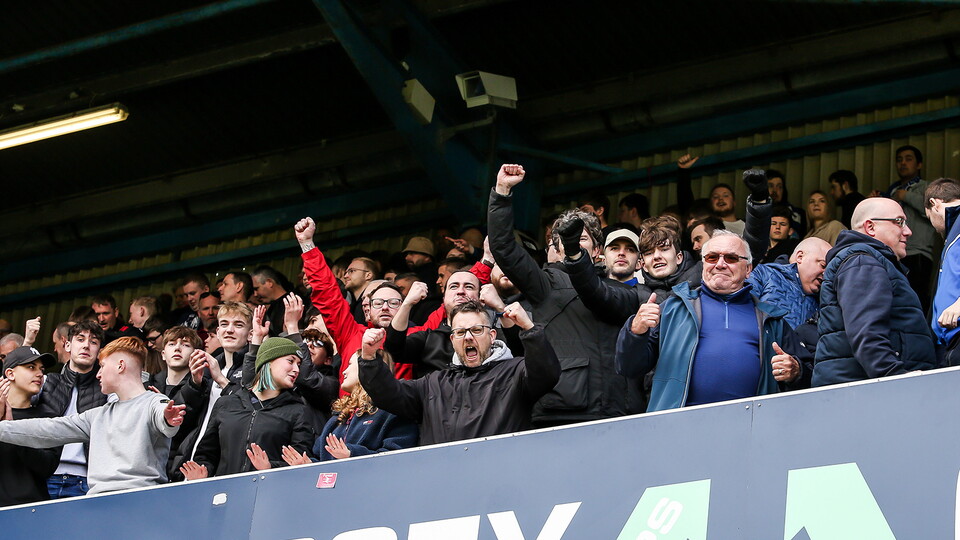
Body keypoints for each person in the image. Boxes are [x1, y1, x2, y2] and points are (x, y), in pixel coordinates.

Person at [489, 164, 637, 426]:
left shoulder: (623, 290)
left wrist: (577, 260)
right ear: (555, 247)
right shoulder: (544, 284)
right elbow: (505, 249)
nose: (573, 247)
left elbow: (596, 294)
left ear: (598, 250)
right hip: (559, 410)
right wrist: (502, 192)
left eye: (580, 241)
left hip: (618, 411)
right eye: (567, 242)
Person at [615, 230, 810, 412]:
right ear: (704, 264)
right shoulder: (673, 309)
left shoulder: (771, 319)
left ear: (748, 269)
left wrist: (796, 371)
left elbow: (810, 377)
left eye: (731, 258)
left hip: (750, 432)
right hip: (678, 431)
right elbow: (629, 368)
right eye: (712, 257)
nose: (720, 264)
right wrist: (636, 331)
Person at [0, 337, 185, 495]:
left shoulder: (154, 401)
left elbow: (163, 415)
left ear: (120, 366)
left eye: (102, 366)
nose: (98, 374)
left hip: (141, 499)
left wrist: (168, 419)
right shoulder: (97, 415)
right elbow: (49, 429)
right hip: (97, 505)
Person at [359, 300, 560, 445]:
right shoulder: (433, 383)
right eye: (461, 332)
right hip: (446, 483)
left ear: (492, 336)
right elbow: (388, 394)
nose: (468, 337)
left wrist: (529, 328)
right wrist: (368, 358)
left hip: (501, 478)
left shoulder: (515, 371)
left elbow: (546, 373)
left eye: (477, 330)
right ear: (452, 340)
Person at [813, 198, 936, 386]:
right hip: (871, 396)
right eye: (899, 222)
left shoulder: (869, 261)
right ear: (870, 227)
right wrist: (897, 379)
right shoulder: (862, 261)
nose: (908, 231)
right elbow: (867, 333)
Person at [180, 337, 314, 479]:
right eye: (291, 361)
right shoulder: (226, 404)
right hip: (228, 494)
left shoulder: (298, 410)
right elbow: (206, 454)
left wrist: (270, 467)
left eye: (298, 364)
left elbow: (300, 460)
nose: (296, 369)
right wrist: (203, 472)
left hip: (270, 494)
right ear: (268, 361)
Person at [34, 320, 106, 499]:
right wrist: (28, 343)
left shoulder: (106, 389)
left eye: (94, 342)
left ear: (99, 352)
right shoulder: (47, 382)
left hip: (86, 481)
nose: (86, 346)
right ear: (67, 344)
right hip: (46, 477)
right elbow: (13, 395)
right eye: (80, 339)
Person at [875, 145, 936, 313]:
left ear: (919, 165)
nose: (903, 163)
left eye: (908, 159)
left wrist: (906, 196)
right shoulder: (892, 190)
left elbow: (932, 210)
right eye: (899, 159)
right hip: (893, 255)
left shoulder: (927, 187)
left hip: (917, 254)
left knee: (916, 302)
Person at [0, 347, 60, 507]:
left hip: (31, 511)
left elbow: (47, 467)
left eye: (42, 369)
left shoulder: (49, 417)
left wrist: (12, 431)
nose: (40, 374)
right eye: (31, 367)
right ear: (10, 374)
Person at [924, 178, 960, 364]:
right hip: (949, 344)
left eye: (929, 218)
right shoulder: (953, 231)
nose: (933, 226)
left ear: (934, 204)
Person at [766, 170, 807, 237]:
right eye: (771, 186)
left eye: (779, 187)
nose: (775, 190)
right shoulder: (754, 214)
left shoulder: (798, 214)